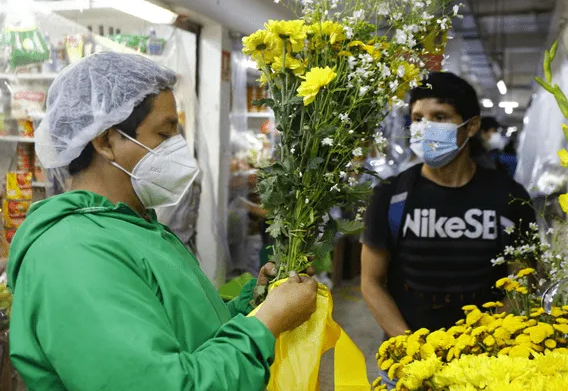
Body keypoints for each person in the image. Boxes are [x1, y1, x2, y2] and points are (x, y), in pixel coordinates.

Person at [7, 52, 317, 391]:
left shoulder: (136, 227)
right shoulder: (73, 254)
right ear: (106, 141)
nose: (178, 149)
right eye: (164, 133)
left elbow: (191, 336)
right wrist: (268, 324)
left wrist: (255, 305)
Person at [360, 72, 536, 337]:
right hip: (408, 356)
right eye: (418, 118)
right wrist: (408, 345)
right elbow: (371, 281)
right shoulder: (391, 195)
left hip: (488, 358)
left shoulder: (510, 196)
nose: (425, 127)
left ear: (471, 125)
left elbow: (522, 281)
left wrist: (486, 342)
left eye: (440, 117)